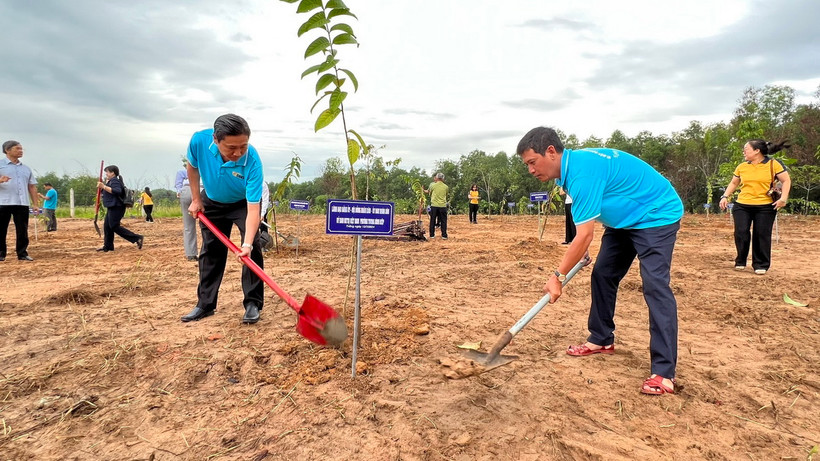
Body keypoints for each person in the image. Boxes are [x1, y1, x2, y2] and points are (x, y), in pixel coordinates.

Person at [517, 127, 684, 396]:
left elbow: (583, 234)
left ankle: (664, 373)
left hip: (656, 214)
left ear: (550, 151)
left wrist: (557, 277)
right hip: (623, 222)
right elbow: (585, 223)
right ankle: (601, 339)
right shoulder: (570, 171)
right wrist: (579, 248)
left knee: (655, 286)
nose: (531, 170)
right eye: (527, 165)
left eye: (532, 163)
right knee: (603, 275)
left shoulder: (582, 172)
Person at [181, 114, 265, 325]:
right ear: (215, 140)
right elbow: (192, 167)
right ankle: (205, 304)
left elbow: (254, 208)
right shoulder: (199, 141)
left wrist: (245, 244)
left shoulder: (252, 160)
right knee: (210, 251)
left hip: (242, 203)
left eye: (243, 146)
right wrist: (196, 199)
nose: (238, 153)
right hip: (213, 202)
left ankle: (253, 303)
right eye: (231, 148)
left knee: (252, 247)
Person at [719, 139, 791, 275]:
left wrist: (783, 198)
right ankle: (741, 260)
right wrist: (725, 196)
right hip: (742, 205)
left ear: (757, 151)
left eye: (746, 149)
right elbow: (734, 183)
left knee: (761, 234)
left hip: (765, 206)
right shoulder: (742, 166)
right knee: (741, 232)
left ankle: (761, 264)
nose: (743, 152)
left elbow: (786, 180)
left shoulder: (773, 164)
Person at [0, 140, 39, 261]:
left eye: (21, 149)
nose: (21, 151)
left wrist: (35, 204)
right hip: (3, 202)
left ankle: (22, 253)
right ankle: (1, 254)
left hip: (22, 203)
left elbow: (32, 186)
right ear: (7, 150)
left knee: (22, 229)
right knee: (1, 229)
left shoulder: (26, 169)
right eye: (18, 148)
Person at [96, 165, 144, 252]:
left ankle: (137, 238)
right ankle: (108, 246)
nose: (106, 173)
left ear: (112, 173)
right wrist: (102, 188)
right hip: (112, 207)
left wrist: (103, 187)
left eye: (107, 172)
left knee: (114, 226)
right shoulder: (110, 181)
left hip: (117, 207)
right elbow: (107, 192)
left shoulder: (115, 181)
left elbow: (117, 191)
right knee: (107, 227)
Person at [176, 159, 198, 261]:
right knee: (208, 225)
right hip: (202, 190)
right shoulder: (203, 169)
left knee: (188, 225)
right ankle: (209, 252)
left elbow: (178, 187)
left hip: (186, 191)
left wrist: (180, 192)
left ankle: (191, 254)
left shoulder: (181, 172)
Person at [424, 172, 449, 239]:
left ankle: (432, 235)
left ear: (437, 178)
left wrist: (423, 190)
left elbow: (429, 192)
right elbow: (446, 195)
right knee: (443, 221)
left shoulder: (432, 185)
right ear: (443, 178)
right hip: (443, 206)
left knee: (432, 220)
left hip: (434, 205)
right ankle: (444, 235)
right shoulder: (446, 187)